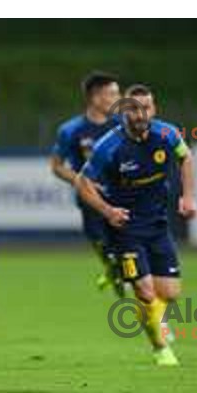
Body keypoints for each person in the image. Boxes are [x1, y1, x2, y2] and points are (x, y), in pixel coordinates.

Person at [76, 84, 197, 366]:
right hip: (125, 229)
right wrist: (107, 211)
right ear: (124, 112)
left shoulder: (167, 133)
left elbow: (186, 156)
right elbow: (83, 182)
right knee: (145, 293)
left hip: (157, 225)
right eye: (134, 108)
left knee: (169, 293)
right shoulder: (110, 146)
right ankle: (160, 348)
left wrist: (188, 196)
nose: (141, 114)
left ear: (154, 110)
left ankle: (156, 314)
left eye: (147, 108)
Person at [50, 72, 124, 295]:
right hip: (90, 197)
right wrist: (82, 180)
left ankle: (119, 274)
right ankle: (113, 269)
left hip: (122, 195)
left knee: (125, 246)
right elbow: (57, 166)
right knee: (102, 244)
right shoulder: (71, 130)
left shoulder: (123, 126)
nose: (118, 98)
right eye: (112, 94)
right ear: (95, 98)